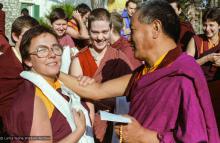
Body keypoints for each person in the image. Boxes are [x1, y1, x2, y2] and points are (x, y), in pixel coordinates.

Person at [59, 0, 220, 142]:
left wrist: (143, 136)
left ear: (155, 28)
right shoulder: (147, 72)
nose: (129, 38)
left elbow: (196, 139)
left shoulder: (183, 75)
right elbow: (96, 90)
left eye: (134, 30)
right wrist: (52, 72)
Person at [2, 25, 94, 143]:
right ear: (28, 61)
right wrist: (79, 131)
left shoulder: (61, 85)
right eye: (42, 50)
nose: (52, 54)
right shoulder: (33, 99)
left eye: (55, 48)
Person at [70, 8, 133, 143]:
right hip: (87, 120)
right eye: (95, 32)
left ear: (111, 30)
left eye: (104, 32)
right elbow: (74, 98)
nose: (100, 37)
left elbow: (130, 92)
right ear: (88, 30)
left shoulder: (119, 58)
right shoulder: (79, 59)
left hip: (117, 120)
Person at [186, 7, 220, 132]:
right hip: (200, 89)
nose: (207, 29)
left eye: (211, 25)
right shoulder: (196, 40)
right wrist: (207, 58)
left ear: (219, 25)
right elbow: (185, 66)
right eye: (205, 25)